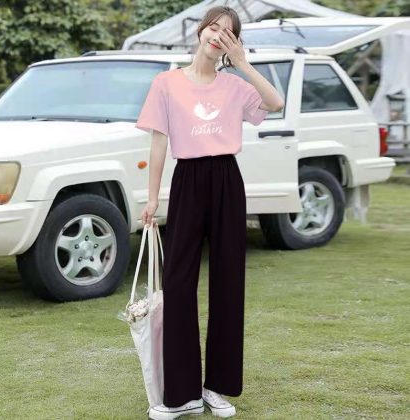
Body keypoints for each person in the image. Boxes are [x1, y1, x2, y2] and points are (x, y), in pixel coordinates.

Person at [136, 6, 285, 419]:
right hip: (187, 180)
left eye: (229, 33)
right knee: (178, 284)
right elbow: (158, 143)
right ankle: (181, 394)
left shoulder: (235, 86)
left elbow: (275, 102)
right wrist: (152, 198)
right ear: (201, 31)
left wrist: (243, 64)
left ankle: (216, 387)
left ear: (235, 42)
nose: (218, 36)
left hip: (226, 180)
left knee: (228, 281)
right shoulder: (166, 83)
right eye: (214, 28)